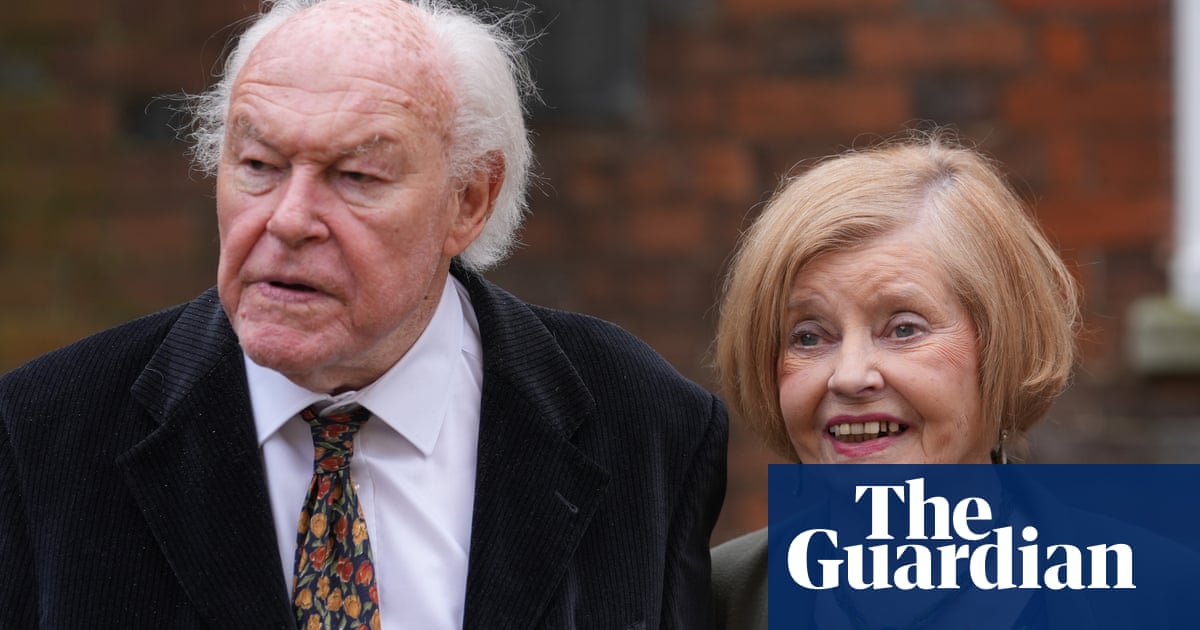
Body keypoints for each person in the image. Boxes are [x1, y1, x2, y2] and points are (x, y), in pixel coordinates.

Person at [0, 1, 727, 628]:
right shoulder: (44, 433)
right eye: (258, 166)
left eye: (355, 176)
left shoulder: (646, 423)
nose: (289, 219)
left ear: (470, 200)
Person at [708, 131, 1081, 629]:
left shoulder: (1160, 596)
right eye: (809, 337)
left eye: (904, 329)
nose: (849, 376)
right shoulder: (708, 602)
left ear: (1001, 347)